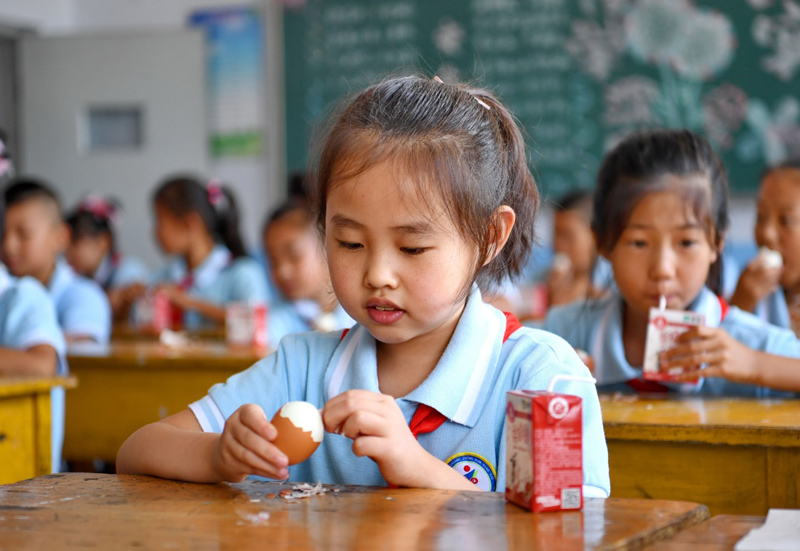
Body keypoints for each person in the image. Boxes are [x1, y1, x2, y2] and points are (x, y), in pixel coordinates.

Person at [117, 75, 610, 496]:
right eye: (349, 243)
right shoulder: (302, 368)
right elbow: (136, 450)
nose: (377, 275)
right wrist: (218, 456)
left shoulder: (542, 378)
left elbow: (571, 532)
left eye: (412, 249)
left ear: (489, 237)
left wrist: (420, 470)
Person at [544, 129, 800, 396]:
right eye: (639, 243)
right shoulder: (564, 334)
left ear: (717, 243)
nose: (663, 269)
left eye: (686, 242)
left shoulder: (750, 345)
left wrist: (755, 365)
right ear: (604, 243)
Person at [0, 196, 67, 472]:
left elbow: (42, 365)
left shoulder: (23, 295)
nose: (10, 245)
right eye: (6, 234)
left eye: (22, 234)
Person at [149, 175, 268, 329]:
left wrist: (189, 302)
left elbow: (256, 323)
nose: (156, 233)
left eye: (161, 221)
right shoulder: (166, 277)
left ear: (190, 223)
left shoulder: (242, 273)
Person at [2, 178, 111, 344]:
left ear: (61, 237)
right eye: (1, 234)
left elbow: (79, 349)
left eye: (24, 234)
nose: (8, 246)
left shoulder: (83, 295)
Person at [263, 197, 354, 344]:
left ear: (327, 249)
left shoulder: (359, 315)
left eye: (294, 256)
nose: (282, 271)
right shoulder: (275, 322)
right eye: (273, 260)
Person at [729, 160, 800, 336]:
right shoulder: (747, 292)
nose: (767, 234)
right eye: (761, 216)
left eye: (786, 220)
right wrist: (739, 306)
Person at [65, 196, 149, 322]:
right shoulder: (77, 276)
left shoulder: (130, 271)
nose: (68, 251)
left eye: (76, 243)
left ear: (103, 242)